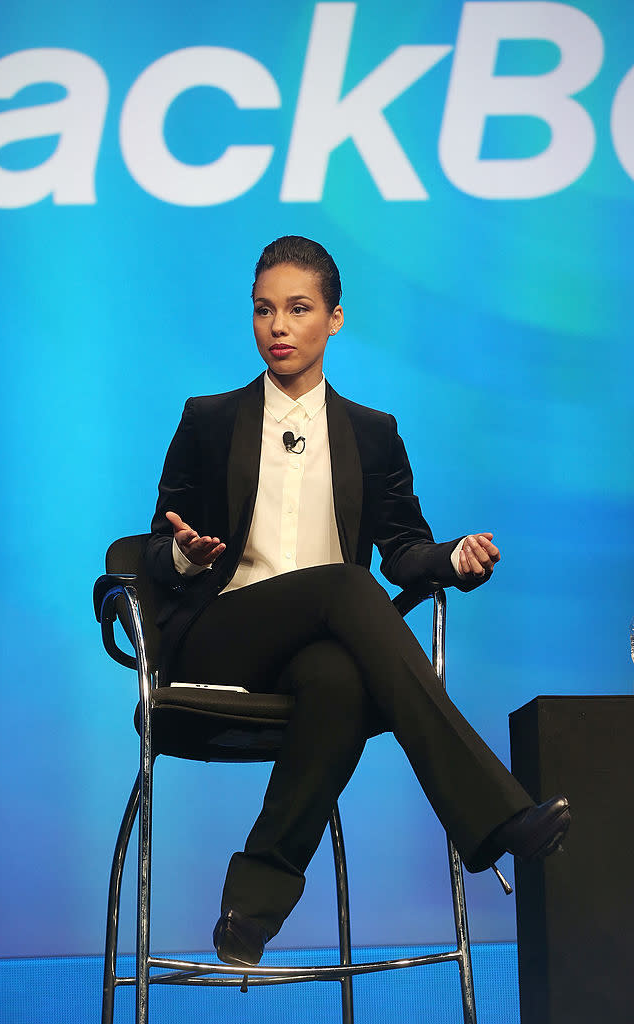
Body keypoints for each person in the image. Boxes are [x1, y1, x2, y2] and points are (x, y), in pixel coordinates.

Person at [145, 235, 570, 967]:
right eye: (263, 310)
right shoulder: (209, 419)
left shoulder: (373, 435)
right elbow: (157, 547)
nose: (277, 327)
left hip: (321, 650)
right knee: (348, 585)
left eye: (298, 309)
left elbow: (405, 548)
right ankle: (493, 817)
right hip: (222, 636)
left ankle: (249, 911)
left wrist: (454, 561)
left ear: (334, 319)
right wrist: (185, 552)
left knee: (340, 680)